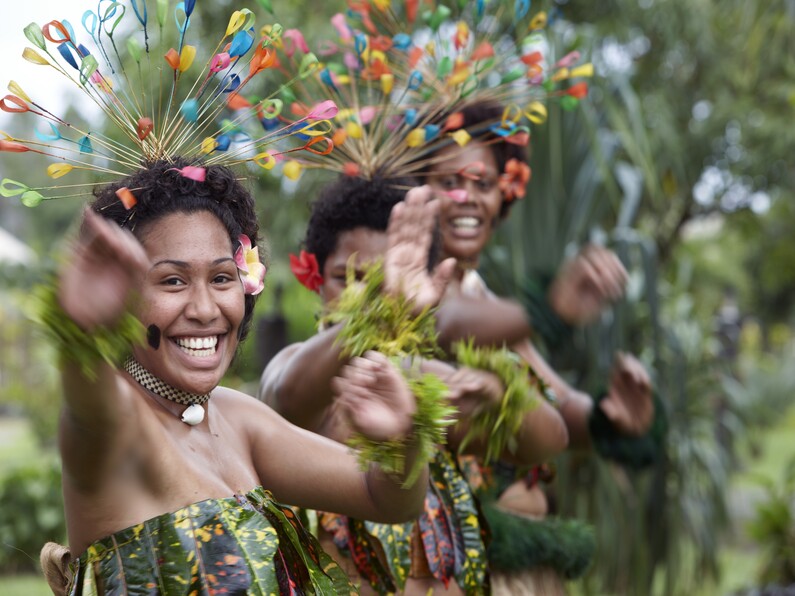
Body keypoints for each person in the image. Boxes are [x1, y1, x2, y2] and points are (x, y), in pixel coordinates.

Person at [39, 158, 433, 595]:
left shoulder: (237, 418)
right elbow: (88, 405)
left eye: (222, 277)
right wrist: (81, 336)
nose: (206, 309)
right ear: (123, 295)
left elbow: (386, 497)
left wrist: (405, 438)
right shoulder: (120, 424)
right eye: (172, 281)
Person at [260, 175, 569, 594]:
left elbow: (550, 438)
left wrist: (499, 395)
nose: (366, 296)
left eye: (384, 281)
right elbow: (287, 394)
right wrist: (383, 311)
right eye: (346, 279)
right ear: (314, 277)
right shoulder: (299, 371)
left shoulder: (426, 379)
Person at [421, 102, 659, 594]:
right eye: (449, 183)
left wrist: (609, 419)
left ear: (504, 192)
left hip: (517, 564)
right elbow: (447, 326)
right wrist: (546, 309)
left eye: (483, 184)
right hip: (447, 566)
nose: (468, 199)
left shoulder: (484, 296)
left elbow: (558, 404)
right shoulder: (407, 288)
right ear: (415, 193)